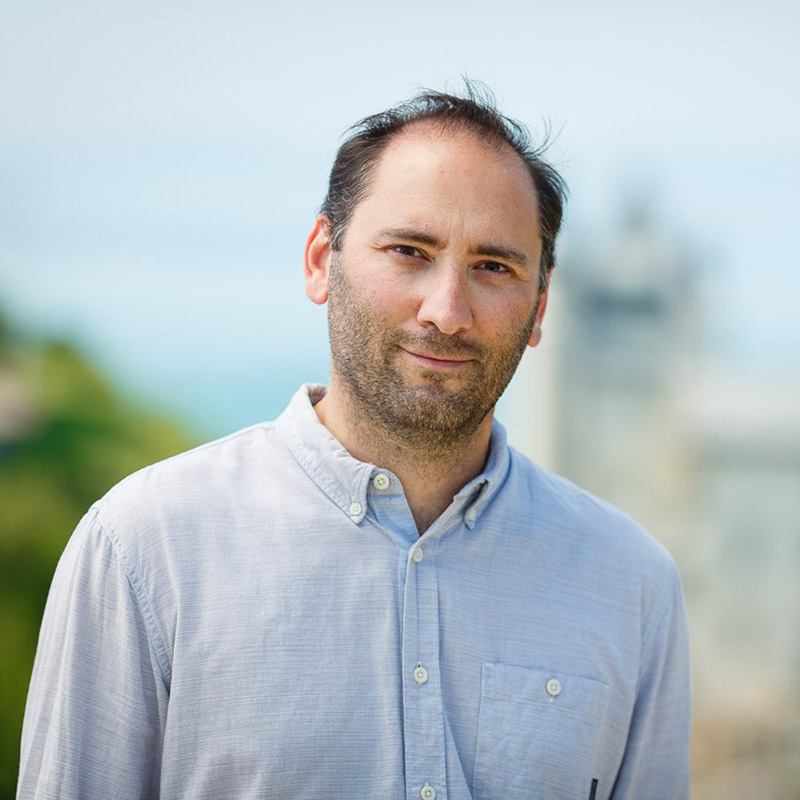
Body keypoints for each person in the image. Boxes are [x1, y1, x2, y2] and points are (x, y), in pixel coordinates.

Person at [18, 85, 691, 800]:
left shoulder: (632, 585)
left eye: (494, 266)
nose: (447, 312)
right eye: (409, 251)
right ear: (319, 260)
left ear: (540, 306)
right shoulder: (143, 549)